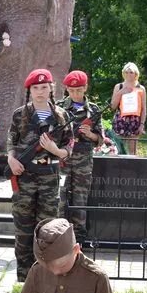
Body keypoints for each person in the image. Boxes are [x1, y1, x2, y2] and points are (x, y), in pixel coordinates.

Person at [7, 69, 70, 281]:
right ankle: (24, 278)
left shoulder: (61, 116)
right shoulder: (20, 114)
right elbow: (11, 142)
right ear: (29, 90)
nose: (40, 91)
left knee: (47, 228)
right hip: (24, 176)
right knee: (23, 227)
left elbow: (68, 149)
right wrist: (11, 160)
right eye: (36, 88)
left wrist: (54, 149)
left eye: (44, 87)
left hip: (49, 177)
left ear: (51, 88)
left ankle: (45, 277)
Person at [58, 70, 102, 245]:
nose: (75, 93)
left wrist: (90, 134)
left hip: (83, 161)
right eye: (71, 90)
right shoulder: (59, 107)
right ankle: (59, 234)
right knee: (60, 196)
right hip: (63, 158)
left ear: (85, 88)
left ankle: (79, 237)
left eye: (78, 90)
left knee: (80, 198)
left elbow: (99, 139)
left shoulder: (94, 110)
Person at [110, 62, 146, 155]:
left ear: (136, 74)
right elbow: (113, 106)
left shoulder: (141, 88)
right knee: (118, 149)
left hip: (135, 121)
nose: (128, 74)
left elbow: (143, 108)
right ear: (123, 73)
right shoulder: (119, 86)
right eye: (126, 72)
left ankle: (133, 169)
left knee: (132, 152)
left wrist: (142, 124)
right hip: (120, 120)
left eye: (131, 72)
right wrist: (121, 92)